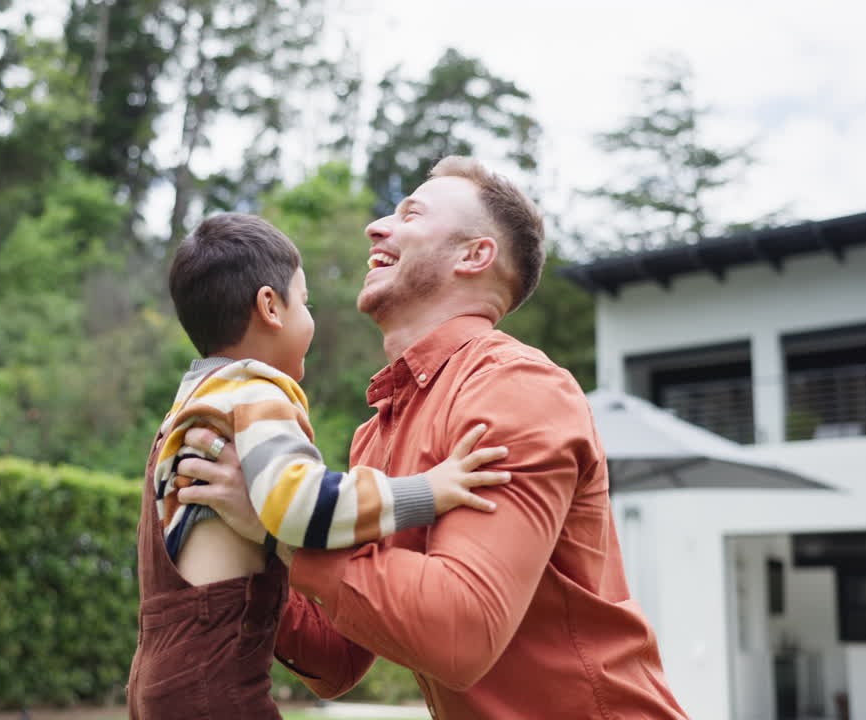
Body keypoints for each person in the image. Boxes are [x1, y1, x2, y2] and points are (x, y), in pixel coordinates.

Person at [175, 158, 690, 718]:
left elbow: (462, 630)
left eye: (410, 213)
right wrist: (227, 530)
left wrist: (277, 531)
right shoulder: (376, 433)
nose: (376, 227)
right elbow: (336, 660)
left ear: (475, 255)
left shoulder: (515, 387)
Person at [127, 212, 511, 720]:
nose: (312, 318)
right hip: (215, 687)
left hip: (158, 679)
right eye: (305, 302)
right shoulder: (256, 393)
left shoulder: (190, 408)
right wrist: (428, 492)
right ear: (270, 307)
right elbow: (301, 505)